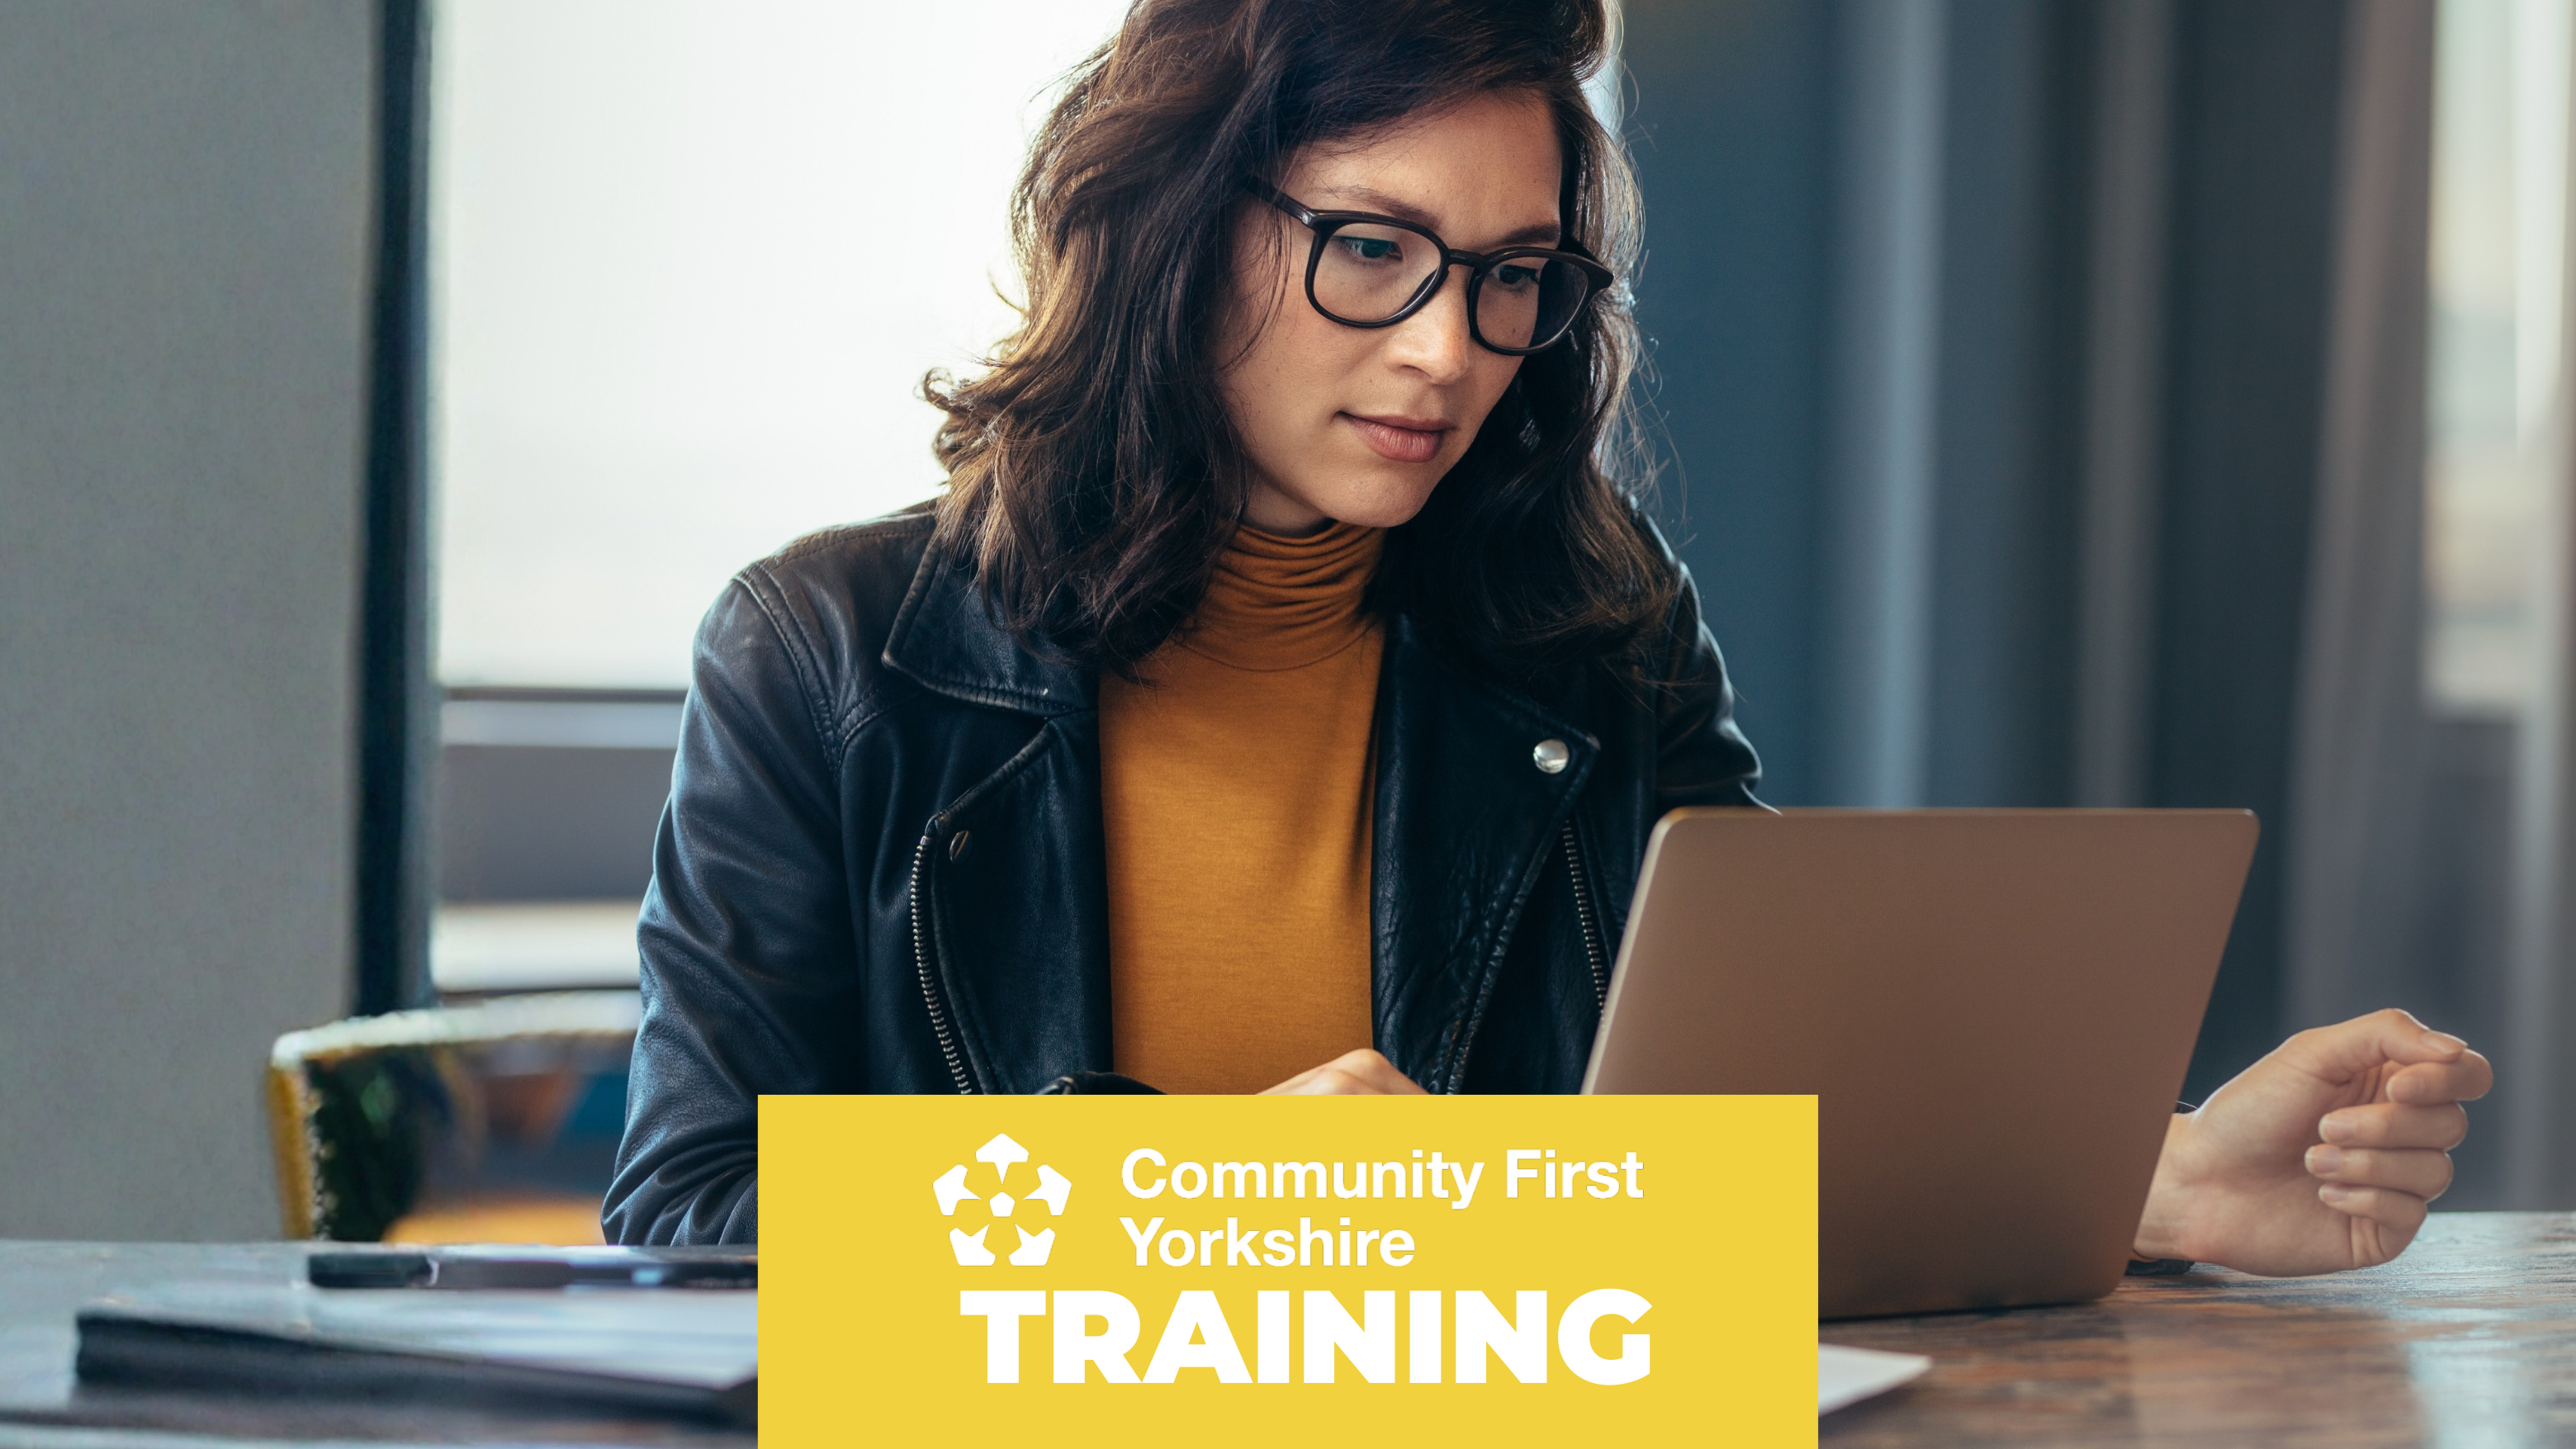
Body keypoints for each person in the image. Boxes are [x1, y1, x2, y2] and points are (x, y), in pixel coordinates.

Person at [603, 0, 2491, 1276]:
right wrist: (1188, 1189)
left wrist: (2151, 1177)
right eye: (1372, 248)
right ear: (1173, 223)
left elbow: (1749, 1132)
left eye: (1514, 276)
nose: (1447, 348)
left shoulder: (1589, 622)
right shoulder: (830, 652)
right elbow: (686, 1217)